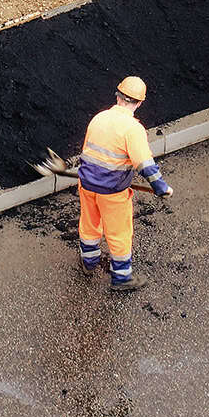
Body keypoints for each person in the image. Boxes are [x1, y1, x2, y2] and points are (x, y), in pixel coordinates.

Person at [77, 76, 172, 291]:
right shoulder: (132, 129)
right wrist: (161, 187)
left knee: (89, 225)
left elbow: (87, 152)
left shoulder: (99, 118)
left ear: (118, 96)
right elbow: (144, 164)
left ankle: (88, 262)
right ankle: (121, 278)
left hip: (86, 184)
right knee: (119, 233)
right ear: (139, 103)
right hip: (112, 192)